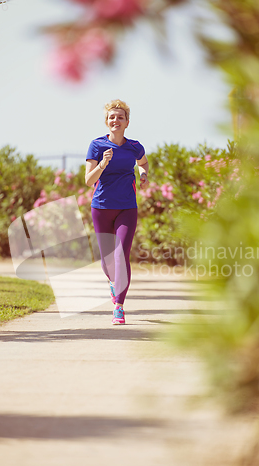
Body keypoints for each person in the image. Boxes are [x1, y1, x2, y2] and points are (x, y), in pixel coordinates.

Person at [85, 99, 149, 325]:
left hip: (127, 207)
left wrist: (143, 174)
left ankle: (119, 306)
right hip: (101, 207)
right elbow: (87, 180)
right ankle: (113, 282)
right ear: (107, 122)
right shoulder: (97, 145)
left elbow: (143, 162)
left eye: (120, 117)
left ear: (127, 122)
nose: (116, 120)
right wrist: (102, 164)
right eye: (112, 117)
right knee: (107, 261)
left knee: (121, 254)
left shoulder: (134, 146)